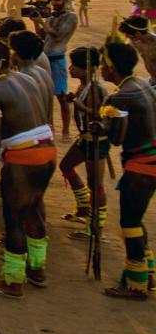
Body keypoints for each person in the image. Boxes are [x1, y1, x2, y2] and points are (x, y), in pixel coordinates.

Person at [0, 40, 56, 298]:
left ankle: (13, 280)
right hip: (47, 150)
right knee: (33, 210)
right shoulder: (28, 79)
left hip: (24, 157)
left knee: (14, 219)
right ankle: (38, 268)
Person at [99, 41, 156, 299]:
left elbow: (116, 138)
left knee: (130, 223)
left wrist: (100, 126)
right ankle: (146, 272)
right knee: (136, 218)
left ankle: (136, 284)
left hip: (142, 165)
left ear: (112, 68)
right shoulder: (143, 84)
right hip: (148, 159)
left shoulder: (121, 96)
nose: (101, 69)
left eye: (103, 64)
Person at [57, 47, 110, 236]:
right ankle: (83, 208)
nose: (70, 69)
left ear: (86, 69)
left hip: (96, 141)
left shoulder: (96, 89)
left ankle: (96, 228)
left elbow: (100, 115)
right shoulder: (84, 86)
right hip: (84, 138)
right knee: (66, 165)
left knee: (96, 184)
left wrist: (80, 106)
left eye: (75, 66)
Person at [33, 0, 78, 139]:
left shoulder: (71, 17)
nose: (54, 3)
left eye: (57, 0)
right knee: (45, 96)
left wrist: (42, 22)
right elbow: (40, 36)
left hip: (57, 60)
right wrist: (37, 22)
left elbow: (58, 36)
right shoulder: (51, 18)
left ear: (65, 0)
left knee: (61, 96)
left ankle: (65, 131)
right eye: (53, 0)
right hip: (45, 60)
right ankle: (49, 128)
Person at [119, 15, 156, 86]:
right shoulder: (136, 42)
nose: (126, 37)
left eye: (128, 34)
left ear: (138, 33)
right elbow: (122, 51)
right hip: (152, 80)